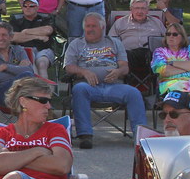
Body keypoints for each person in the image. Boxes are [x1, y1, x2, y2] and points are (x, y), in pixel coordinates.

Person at [63, 12, 147, 149]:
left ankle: (141, 136)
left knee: (133, 92)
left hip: (113, 86)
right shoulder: (76, 44)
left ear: (103, 28)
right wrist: (83, 71)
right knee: (78, 90)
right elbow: (68, 67)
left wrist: (118, 71)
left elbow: (125, 67)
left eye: (94, 26)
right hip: (88, 87)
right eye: (87, 26)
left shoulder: (115, 43)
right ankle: (85, 135)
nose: (90, 29)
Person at [151, 22, 190, 126]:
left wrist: (172, 63)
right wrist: (188, 68)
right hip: (170, 85)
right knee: (184, 96)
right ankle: (185, 127)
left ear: (182, 36)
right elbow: (163, 70)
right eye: (168, 34)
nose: (171, 37)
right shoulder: (160, 52)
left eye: (175, 34)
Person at [107, 0, 166, 79]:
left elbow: (168, 39)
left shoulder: (157, 23)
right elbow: (110, 41)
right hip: (128, 56)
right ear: (131, 9)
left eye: (143, 8)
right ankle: (128, 82)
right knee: (126, 55)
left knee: (155, 56)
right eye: (137, 8)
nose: (139, 11)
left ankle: (154, 84)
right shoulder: (120, 23)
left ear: (148, 10)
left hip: (150, 56)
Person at [0, 22, 35, 107]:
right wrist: (18, 71)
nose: (0, 38)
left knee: (28, 87)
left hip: (21, 91)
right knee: (26, 77)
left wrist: (7, 67)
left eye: (4, 35)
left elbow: (30, 70)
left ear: (11, 37)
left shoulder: (19, 50)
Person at [9, 0, 56, 80]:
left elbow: (48, 30)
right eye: (25, 6)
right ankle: (36, 90)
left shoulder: (46, 18)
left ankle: (46, 90)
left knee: (41, 64)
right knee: (30, 62)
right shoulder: (15, 19)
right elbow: (14, 37)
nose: (28, 8)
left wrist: (26, 31)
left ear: (37, 7)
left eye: (31, 6)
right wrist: (37, 36)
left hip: (43, 49)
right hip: (23, 50)